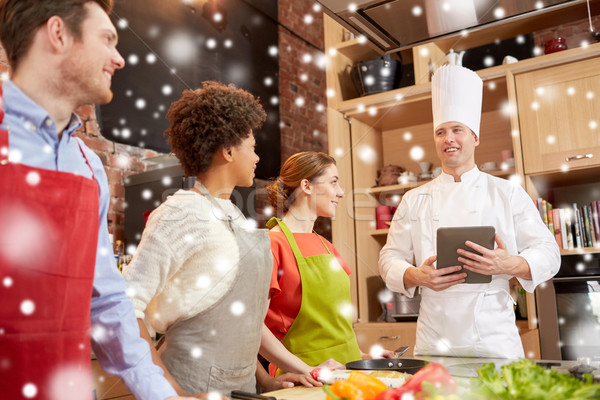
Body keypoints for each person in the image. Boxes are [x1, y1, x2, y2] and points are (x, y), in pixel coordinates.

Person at [0, 1, 198, 399]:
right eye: (108, 40)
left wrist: (162, 396)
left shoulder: (89, 165)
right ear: (58, 34)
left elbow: (106, 300)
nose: (119, 59)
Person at [123, 82, 315, 397]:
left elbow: (235, 322)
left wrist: (264, 380)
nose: (256, 157)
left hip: (241, 389)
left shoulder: (234, 214)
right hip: (190, 385)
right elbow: (125, 310)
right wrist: (175, 395)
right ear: (227, 151)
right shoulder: (180, 213)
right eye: (251, 146)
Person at [378, 65, 561, 359]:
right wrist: (416, 275)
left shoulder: (508, 193)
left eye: (457, 130)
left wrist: (509, 264)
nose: (448, 138)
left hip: (494, 339)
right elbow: (388, 259)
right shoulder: (414, 199)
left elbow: (549, 253)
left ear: (475, 138)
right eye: (441, 132)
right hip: (435, 340)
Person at [261, 151, 394, 376]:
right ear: (307, 186)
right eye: (334, 182)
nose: (341, 193)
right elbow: (255, 330)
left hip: (345, 373)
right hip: (302, 381)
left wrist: (362, 357)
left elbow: (329, 326)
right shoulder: (271, 245)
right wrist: (309, 371)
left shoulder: (325, 245)